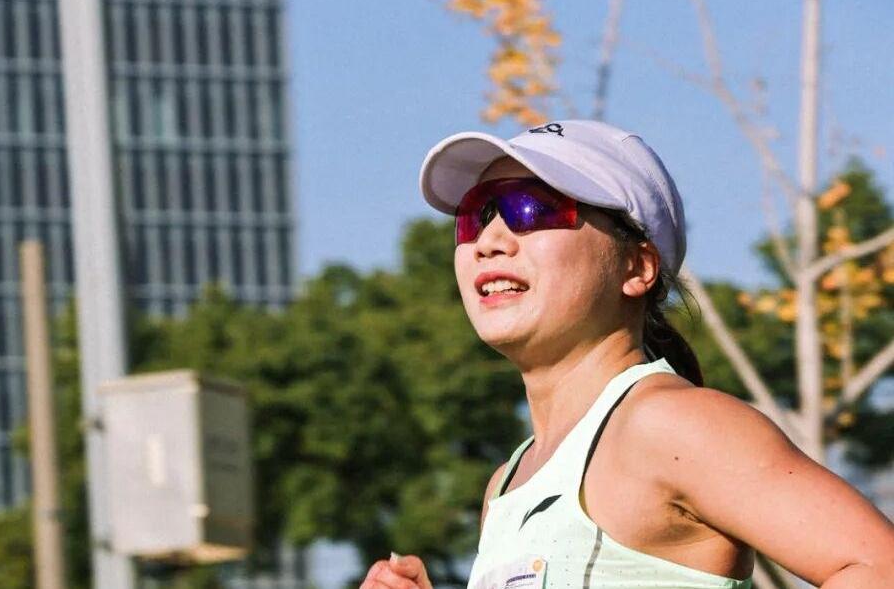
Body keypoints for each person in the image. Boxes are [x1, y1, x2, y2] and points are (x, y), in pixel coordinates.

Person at [358, 120, 894, 589]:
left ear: (637, 267)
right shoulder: (507, 482)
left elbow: (877, 566)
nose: (490, 240)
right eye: (477, 215)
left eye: (533, 208)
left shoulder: (671, 425)